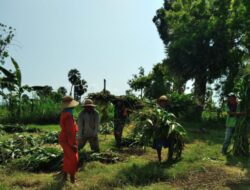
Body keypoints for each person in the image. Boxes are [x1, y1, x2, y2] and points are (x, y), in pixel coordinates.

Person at [59, 96, 79, 183]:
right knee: (73, 158)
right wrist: (73, 144)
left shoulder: (65, 114)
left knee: (67, 157)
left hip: (64, 138)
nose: (74, 107)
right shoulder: (68, 117)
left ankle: (64, 177)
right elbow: (70, 132)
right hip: (68, 140)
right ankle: (72, 179)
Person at [152, 95, 171, 162]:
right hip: (158, 129)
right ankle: (159, 157)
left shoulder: (166, 110)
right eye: (162, 102)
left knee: (169, 141)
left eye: (165, 102)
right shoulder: (156, 110)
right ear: (159, 102)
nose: (163, 103)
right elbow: (153, 118)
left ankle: (170, 155)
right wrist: (154, 125)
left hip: (165, 128)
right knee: (158, 144)